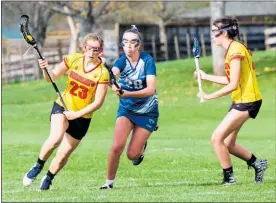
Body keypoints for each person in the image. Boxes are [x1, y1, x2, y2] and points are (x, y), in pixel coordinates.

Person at [23, 33, 110, 190]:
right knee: (55, 138)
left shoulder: (102, 73)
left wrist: (76, 115)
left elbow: (98, 103)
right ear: (83, 47)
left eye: (96, 49)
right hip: (63, 106)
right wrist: (45, 69)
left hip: (82, 117)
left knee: (63, 154)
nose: (91, 52)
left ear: (100, 51)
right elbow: (52, 77)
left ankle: (49, 177)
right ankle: (37, 166)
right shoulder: (74, 59)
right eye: (89, 48)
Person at [194, 17, 268, 185]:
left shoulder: (235, 51)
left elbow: (233, 85)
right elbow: (231, 80)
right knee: (228, 143)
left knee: (216, 138)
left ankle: (229, 178)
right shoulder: (233, 49)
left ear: (224, 32)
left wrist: (208, 96)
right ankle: (258, 164)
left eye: (214, 31)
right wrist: (205, 76)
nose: (212, 35)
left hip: (246, 101)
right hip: (243, 99)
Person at [100, 25, 159, 189]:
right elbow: (113, 75)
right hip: (126, 110)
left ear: (138, 45)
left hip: (148, 111)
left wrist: (127, 93)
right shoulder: (121, 61)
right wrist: (114, 86)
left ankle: (141, 147)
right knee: (117, 146)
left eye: (132, 42)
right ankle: (109, 183)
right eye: (125, 42)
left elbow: (150, 89)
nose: (128, 46)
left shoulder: (147, 61)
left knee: (132, 154)